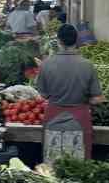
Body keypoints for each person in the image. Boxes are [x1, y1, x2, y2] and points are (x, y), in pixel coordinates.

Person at [36, 23, 104, 157]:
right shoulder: (87, 65)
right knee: (77, 167)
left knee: (52, 165)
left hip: (53, 119)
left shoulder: (46, 64)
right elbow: (97, 98)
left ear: (59, 40)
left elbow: (42, 95)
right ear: (77, 40)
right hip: (79, 119)